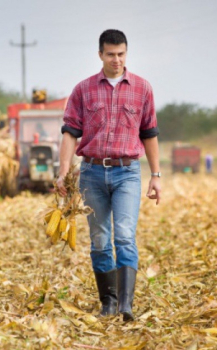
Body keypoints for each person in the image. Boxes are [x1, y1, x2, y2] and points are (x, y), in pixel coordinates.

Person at [56, 29, 161, 321]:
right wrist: (63, 172)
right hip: (91, 173)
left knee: (125, 237)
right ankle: (109, 303)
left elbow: (150, 133)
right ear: (100, 54)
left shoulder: (142, 88)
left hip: (127, 172)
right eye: (111, 54)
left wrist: (156, 175)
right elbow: (70, 133)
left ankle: (126, 305)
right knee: (100, 239)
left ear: (126, 53)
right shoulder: (83, 90)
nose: (117, 60)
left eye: (121, 54)